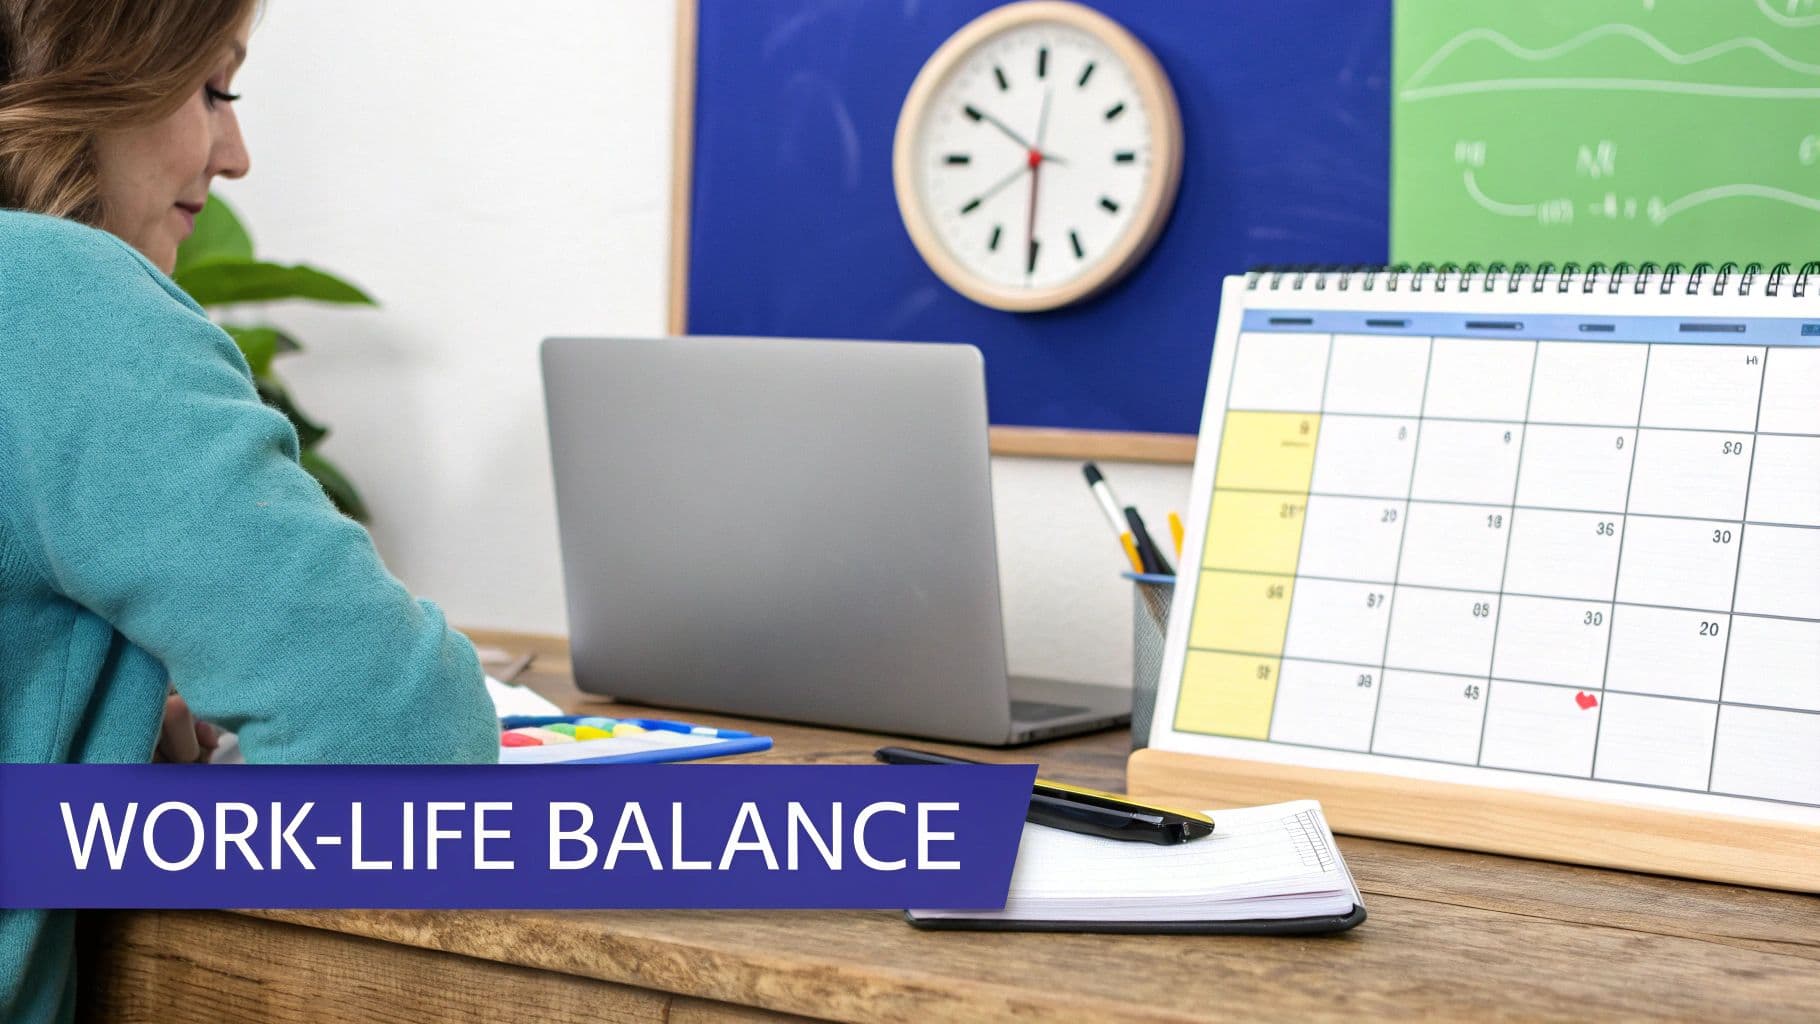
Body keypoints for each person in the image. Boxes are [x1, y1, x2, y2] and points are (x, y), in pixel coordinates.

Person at [0, 2, 498, 1018]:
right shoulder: (52, 296)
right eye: (212, 89)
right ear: (87, 73)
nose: (235, 154)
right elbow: (402, 742)